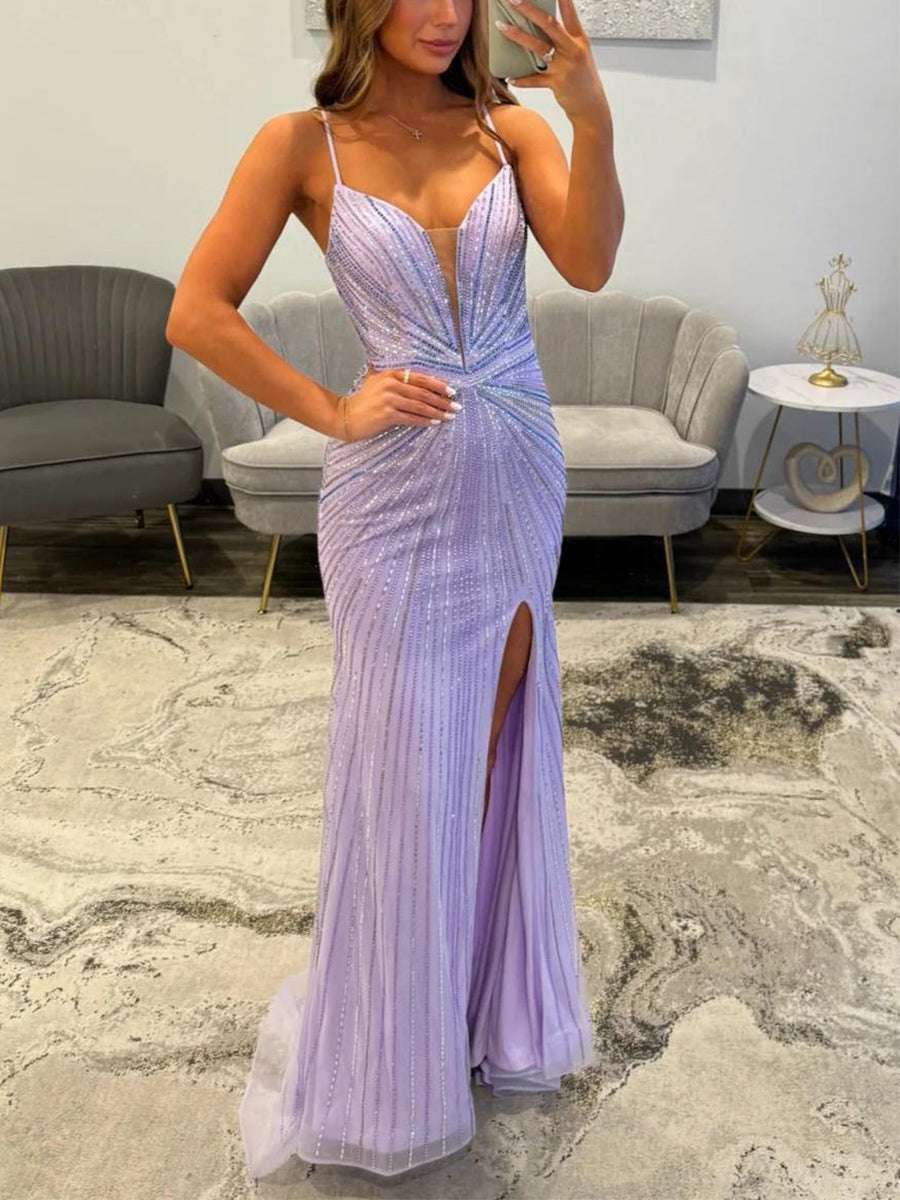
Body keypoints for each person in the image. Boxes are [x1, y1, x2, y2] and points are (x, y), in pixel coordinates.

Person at [166, 0, 623, 1180]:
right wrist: (332, 408)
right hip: (390, 501)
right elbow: (195, 311)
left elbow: (588, 262)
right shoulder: (299, 144)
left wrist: (590, 118)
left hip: (515, 474)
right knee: (404, 764)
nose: (443, 12)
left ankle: (473, 1008)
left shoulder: (510, 130)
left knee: (491, 750)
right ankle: (390, 1051)